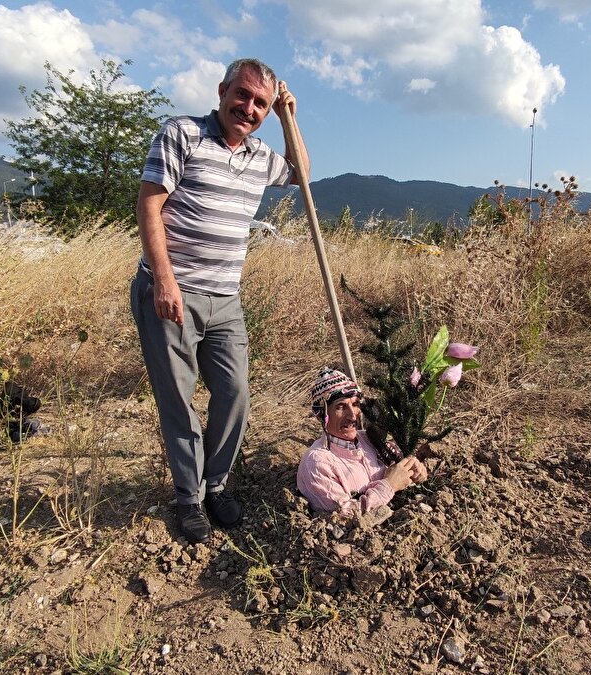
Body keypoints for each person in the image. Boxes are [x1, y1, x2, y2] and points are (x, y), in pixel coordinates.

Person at [131, 58, 308, 543]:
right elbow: (149, 202)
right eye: (242, 95)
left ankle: (216, 484)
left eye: (261, 104)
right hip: (171, 291)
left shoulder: (260, 155)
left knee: (234, 394)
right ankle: (188, 498)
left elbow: (302, 174)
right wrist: (164, 280)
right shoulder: (182, 134)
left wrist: (291, 119)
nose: (248, 108)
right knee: (179, 401)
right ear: (223, 90)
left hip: (225, 298)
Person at [297, 368, 428, 516]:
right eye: (341, 406)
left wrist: (415, 470)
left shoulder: (368, 438)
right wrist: (389, 485)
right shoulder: (317, 463)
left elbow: (399, 466)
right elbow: (344, 516)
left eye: (355, 404)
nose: (353, 415)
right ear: (322, 415)